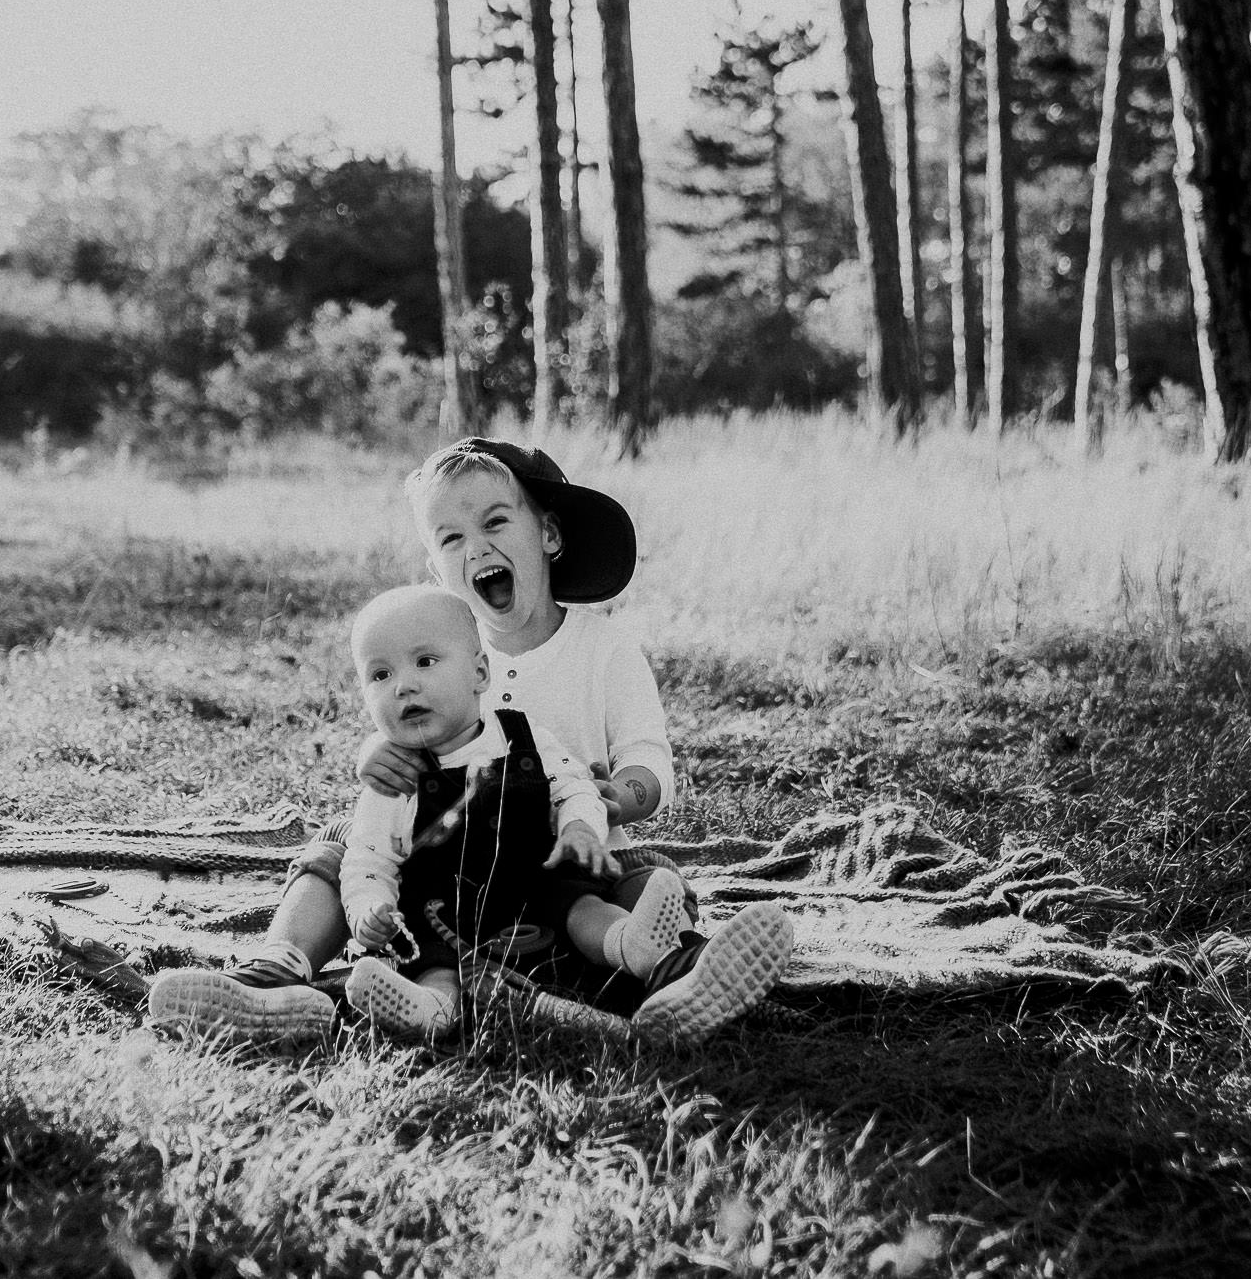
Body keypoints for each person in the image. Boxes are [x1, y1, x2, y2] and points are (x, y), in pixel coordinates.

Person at [149, 437, 791, 1045]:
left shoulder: (603, 649)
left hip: (567, 865)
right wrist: (373, 753)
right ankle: (276, 974)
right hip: (445, 880)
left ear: (548, 534)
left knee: (647, 878)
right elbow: (398, 730)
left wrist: (617, 798)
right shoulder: (435, 652)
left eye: (494, 523)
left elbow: (649, 759)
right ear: (437, 570)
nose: (474, 547)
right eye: (451, 538)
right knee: (336, 853)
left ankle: (675, 976)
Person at [333, 585, 692, 1039]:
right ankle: (430, 1010)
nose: (403, 685)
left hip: (537, 891)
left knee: (581, 905)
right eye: (380, 675)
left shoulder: (521, 735)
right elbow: (367, 860)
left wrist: (580, 825)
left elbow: (572, 786)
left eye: (425, 662)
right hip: (446, 921)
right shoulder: (395, 780)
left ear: (480, 672)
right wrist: (369, 908)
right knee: (434, 964)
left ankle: (631, 944)